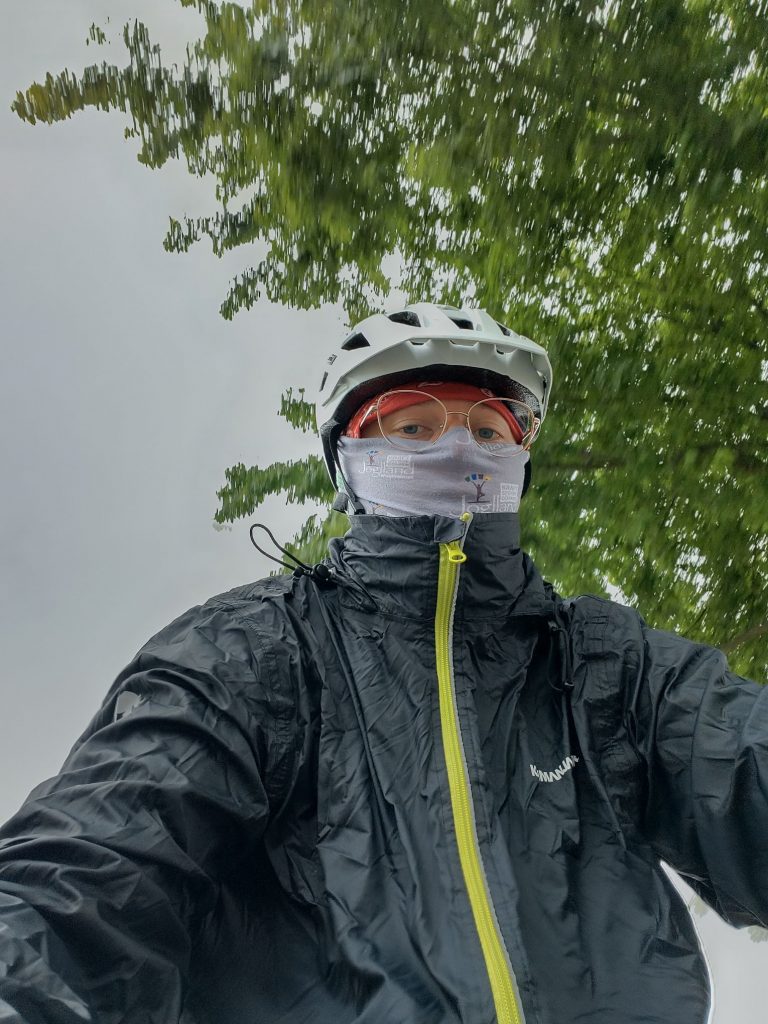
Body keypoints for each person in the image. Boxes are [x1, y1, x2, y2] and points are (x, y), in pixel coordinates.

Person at [0, 302, 765, 1024]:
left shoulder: (604, 662)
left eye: (489, 429)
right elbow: (96, 858)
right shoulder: (255, 648)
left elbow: (739, 758)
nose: (458, 448)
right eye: (413, 425)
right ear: (349, 461)